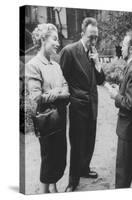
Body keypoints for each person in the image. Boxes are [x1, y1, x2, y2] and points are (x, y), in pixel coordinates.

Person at [60, 17, 105, 191]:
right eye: (91, 37)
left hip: (92, 104)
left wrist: (97, 64)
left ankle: (85, 168)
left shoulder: (93, 52)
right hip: (78, 107)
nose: (94, 41)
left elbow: (100, 80)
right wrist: (70, 99)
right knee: (77, 143)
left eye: (96, 37)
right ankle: (73, 180)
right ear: (82, 33)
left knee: (89, 141)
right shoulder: (69, 51)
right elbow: (61, 79)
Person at [26, 23, 69, 193]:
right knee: (48, 159)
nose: (58, 43)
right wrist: (58, 92)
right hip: (46, 120)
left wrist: (56, 92)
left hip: (60, 118)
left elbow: (67, 91)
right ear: (43, 39)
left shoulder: (56, 66)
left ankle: (54, 188)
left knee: (59, 158)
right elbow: (35, 96)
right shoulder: (34, 65)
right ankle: (45, 192)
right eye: (55, 39)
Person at [108, 31, 132, 188]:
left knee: (124, 172)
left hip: (129, 129)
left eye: (123, 45)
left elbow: (130, 104)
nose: (121, 48)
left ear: (130, 49)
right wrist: (121, 90)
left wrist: (115, 95)